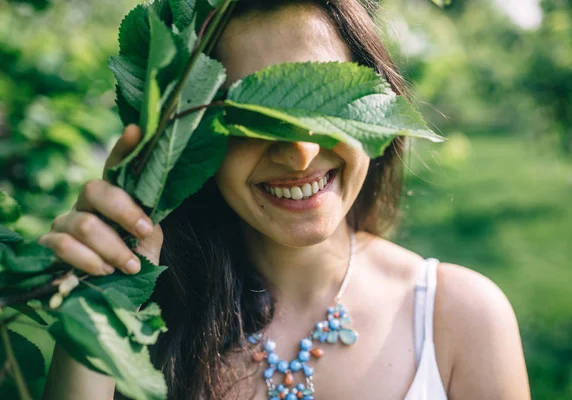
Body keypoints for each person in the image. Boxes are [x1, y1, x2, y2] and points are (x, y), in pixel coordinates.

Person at [40, 0, 531, 399]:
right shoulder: (147, 330)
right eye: (251, 116)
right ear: (188, 135)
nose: (300, 154)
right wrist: (100, 307)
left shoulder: (461, 319)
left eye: (323, 100)